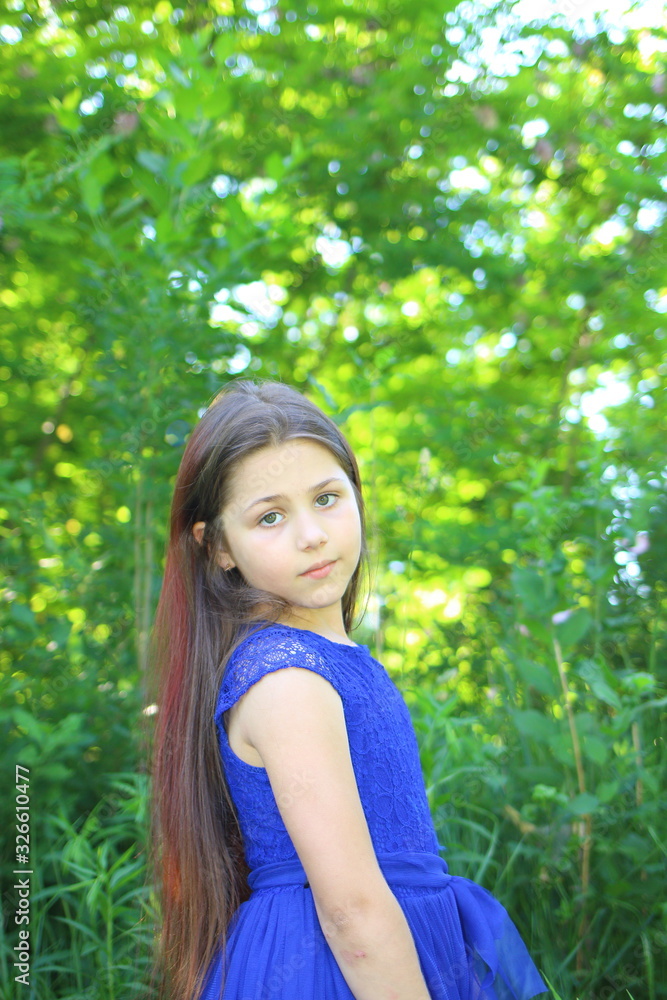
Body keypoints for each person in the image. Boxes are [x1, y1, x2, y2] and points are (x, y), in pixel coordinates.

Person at [148, 378, 548, 1000]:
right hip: (328, 964)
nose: (311, 534)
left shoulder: (328, 660)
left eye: (327, 498)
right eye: (271, 516)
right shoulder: (287, 677)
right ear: (219, 546)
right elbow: (353, 909)